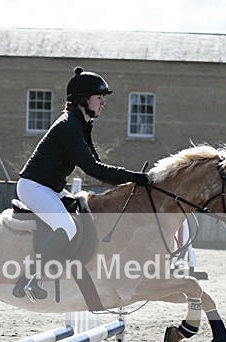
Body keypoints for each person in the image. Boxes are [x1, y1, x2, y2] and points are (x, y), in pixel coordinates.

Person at [14, 66, 151, 300]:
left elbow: (97, 165)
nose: (103, 103)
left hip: (51, 188)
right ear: (83, 99)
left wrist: (131, 179)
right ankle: (27, 278)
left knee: (85, 216)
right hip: (34, 187)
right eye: (99, 98)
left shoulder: (82, 123)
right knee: (66, 227)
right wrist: (134, 177)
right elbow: (92, 169)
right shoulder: (69, 125)